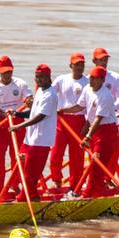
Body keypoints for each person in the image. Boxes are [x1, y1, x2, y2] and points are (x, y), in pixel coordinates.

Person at [1, 63, 58, 201]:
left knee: (30, 175)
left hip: (41, 141)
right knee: (23, 169)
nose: (39, 80)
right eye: (37, 77)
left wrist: (19, 127)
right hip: (30, 139)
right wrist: (17, 114)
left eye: (42, 77)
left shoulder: (50, 95)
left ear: (49, 77)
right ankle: (31, 196)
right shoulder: (39, 91)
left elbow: (40, 117)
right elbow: (33, 113)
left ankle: (24, 198)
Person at [0, 56, 31, 192]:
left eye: (9, 71)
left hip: (17, 122)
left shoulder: (20, 84)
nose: (7, 74)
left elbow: (29, 99)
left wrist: (29, 101)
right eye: (4, 72)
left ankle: (16, 186)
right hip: (0, 125)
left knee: (18, 156)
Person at [75, 65, 119, 196]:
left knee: (97, 164)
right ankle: (93, 190)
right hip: (95, 130)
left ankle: (91, 193)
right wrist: (62, 111)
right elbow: (79, 106)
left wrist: (88, 136)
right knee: (94, 163)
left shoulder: (105, 95)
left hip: (106, 131)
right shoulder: (87, 89)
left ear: (102, 80)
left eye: (94, 78)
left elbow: (98, 119)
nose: (91, 80)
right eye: (90, 77)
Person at [50, 52, 89, 192]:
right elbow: (49, 93)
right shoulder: (61, 79)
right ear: (70, 65)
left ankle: (75, 185)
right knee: (56, 153)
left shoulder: (88, 82)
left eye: (82, 64)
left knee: (77, 157)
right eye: (77, 64)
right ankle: (56, 181)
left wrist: (87, 125)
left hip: (79, 121)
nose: (79, 67)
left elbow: (88, 106)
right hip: (61, 121)